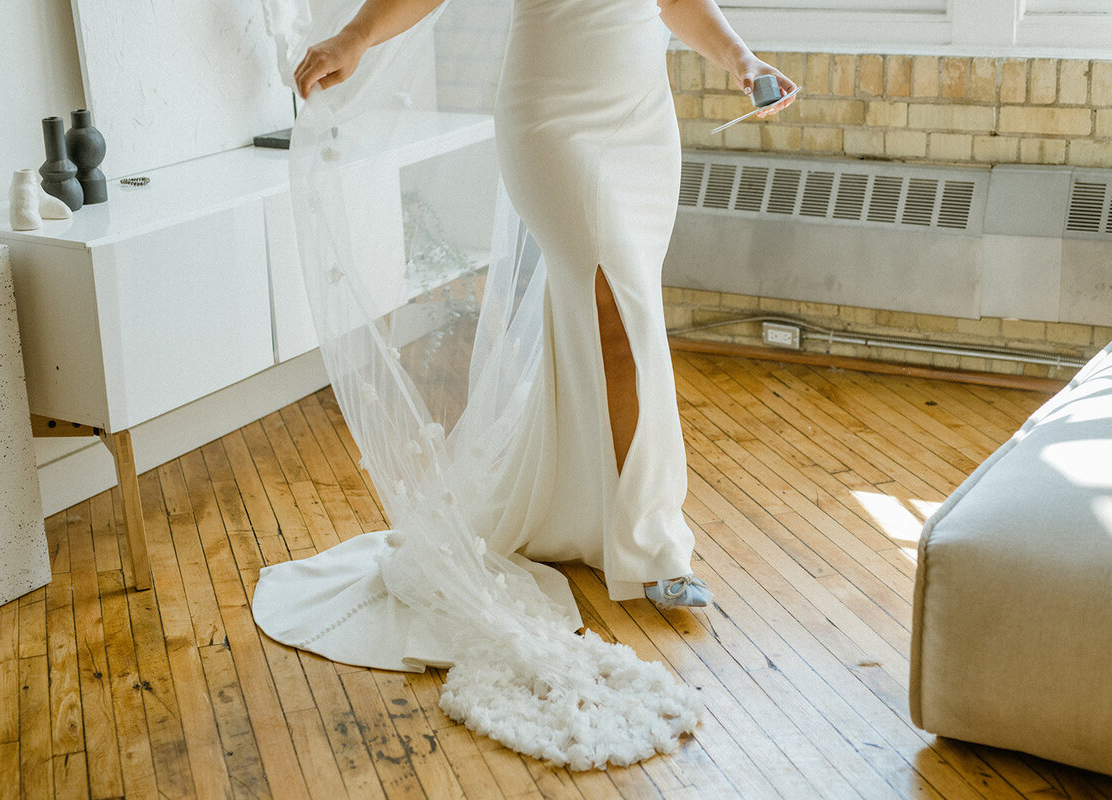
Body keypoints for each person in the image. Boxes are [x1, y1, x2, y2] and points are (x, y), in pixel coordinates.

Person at [288, 0, 795, 610]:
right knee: (620, 320)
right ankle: (650, 547)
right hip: (551, 119)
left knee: (600, 316)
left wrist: (741, 59)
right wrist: (355, 36)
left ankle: (577, 512)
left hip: (642, 127)